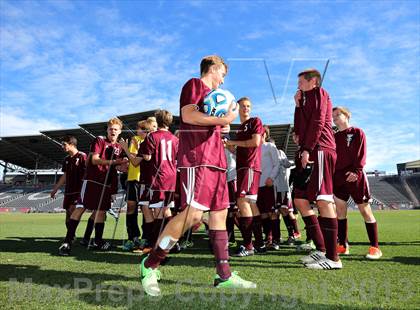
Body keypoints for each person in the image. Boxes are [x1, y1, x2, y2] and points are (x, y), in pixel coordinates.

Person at [138, 55, 256, 297]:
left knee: (219, 215)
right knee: (192, 216)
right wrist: (224, 119)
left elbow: (208, 121)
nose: (223, 81)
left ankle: (223, 275)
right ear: (213, 69)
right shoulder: (194, 85)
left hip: (216, 161)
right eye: (222, 74)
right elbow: (189, 116)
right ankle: (150, 265)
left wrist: (221, 126)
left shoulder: (214, 97)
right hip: (197, 160)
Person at [293, 68, 342, 269]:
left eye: (301, 83)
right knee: (300, 199)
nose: (298, 87)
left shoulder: (321, 93)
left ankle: (333, 259)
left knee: (323, 200)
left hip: (320, 149)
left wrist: (307, 148)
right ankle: (321, 249)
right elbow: (300, 126)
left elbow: (319, 121)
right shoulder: (304, 99)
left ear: (313, 81)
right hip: (309, 150)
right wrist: (297, 105)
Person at [58, 118, 127, 256]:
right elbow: (94, 160)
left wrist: (125, 162)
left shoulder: (120, 147)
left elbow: (120, 167)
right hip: (92, 181)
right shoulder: (100, 140)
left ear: (120, 131)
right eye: (110, 128)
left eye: (115, 129)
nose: (113, 131)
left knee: (101, 211)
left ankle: (98, 241)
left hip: (106, 183)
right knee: (81, 208)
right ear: (107, 130)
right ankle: (67, 241)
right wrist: (115, 162)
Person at [332, 106, 382, 259]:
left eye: (337, 114)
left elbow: (361, 153)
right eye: (332, 116)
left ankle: (375, 247)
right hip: (338, 177)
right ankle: (343, 245)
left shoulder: (357, 132)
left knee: (364, 210)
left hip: (355, 175)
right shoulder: (333, 136)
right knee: (340, 212)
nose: (334, 117)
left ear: (347, 116)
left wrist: (357, 171)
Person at [225, 97, 265, 257]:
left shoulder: (255, 121)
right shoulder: (240, 128)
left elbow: (255, 142)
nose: (246, 108)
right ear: (237, 108)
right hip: (243, 167)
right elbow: (240, 150)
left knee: (243, 202)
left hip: (250, 167)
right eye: (243, 106)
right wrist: (229, 146)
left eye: (248, 106)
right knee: (251, 204)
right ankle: (260, 244)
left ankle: (248, 246)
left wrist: (234, 142)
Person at [122, 120, 148, 252]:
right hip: (132, 179)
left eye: (144, 129)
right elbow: (132, 159)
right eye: (139, 128)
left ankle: (145, 238)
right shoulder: (134, 139)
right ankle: (132, 237)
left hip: (144, 180)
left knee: (145, 209)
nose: (141, 131)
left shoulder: (150, 141)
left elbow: (135, 160)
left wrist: (126, 149)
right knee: (131, 207)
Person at [50, 136, 87, 231]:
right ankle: (71, 235)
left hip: (79, 190)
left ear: (72, 144)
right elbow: (64, 176)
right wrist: (55, 189)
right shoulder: (66, 159)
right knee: (68, 215)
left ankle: (69, 237)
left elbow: (88, 173)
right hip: (68, 191)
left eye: (64, 144)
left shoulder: (82, 156)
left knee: (72, 210)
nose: (62, 146)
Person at [256, 125, 280, 249]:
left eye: (261, 132)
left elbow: (277, 164)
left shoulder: (270, 146)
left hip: (269, 184)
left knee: (273, 213)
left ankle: (276, 240)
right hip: (257, 186)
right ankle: (268, 238)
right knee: (263, 214)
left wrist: (271, 177)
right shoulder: (254, 149)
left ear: (265, 134)